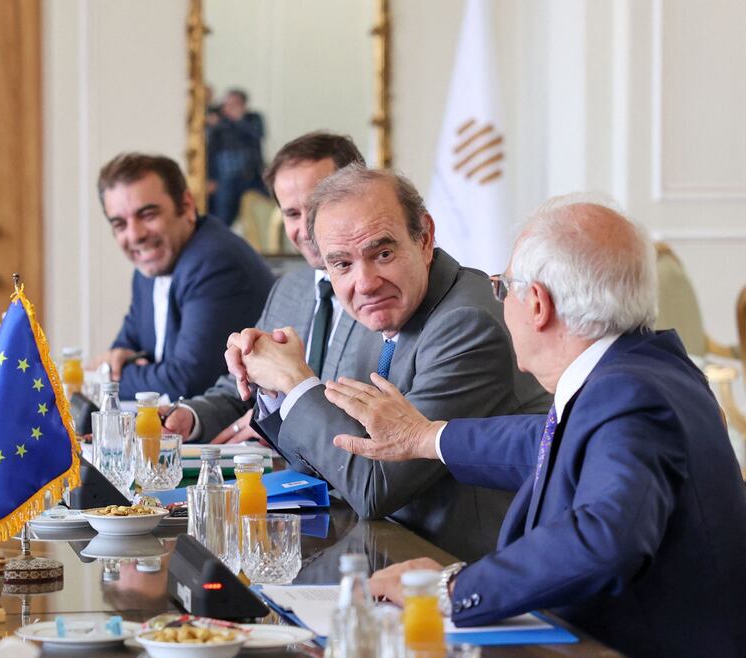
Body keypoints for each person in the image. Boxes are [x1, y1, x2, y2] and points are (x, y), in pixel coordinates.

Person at [329, 197, 746, 658]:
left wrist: (450, 586)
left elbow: (605, 539)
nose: (500, 301)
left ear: (538, 304)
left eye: (503, 288)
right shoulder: (645, 370)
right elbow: (549, 441)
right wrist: (427, 437)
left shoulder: (630, 394)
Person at [225, 165, 550, 562]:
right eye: (342, 264)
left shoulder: (467, 324)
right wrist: (275, 386)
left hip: (466, 570)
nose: (365, 283)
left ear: (425, 238)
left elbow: (374, 485)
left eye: (382, 253)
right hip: (389, 553)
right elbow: (329, 466)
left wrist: (296, 382)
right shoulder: (381, 311)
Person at [165, 131, 367, 444]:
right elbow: (241, 391)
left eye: (318, 208)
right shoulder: (290, 289)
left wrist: (278, 419)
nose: (305, 229)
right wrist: (189, 417)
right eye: (292, 214)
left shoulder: (381, 294)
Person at [95, 153, 274, 400]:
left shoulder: (214, 262)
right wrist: (117, 365)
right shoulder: (149, 268)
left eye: (148, 215)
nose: (135, 235)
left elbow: (185, 383)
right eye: (119, 225)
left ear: (187, 206)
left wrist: (107, 376)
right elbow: (122, 350)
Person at [207, 88, 267, 226]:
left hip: (252, 176)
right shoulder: (219, 121)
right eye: (228, 104)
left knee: (263, 211)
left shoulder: (253, 118)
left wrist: (238, 119)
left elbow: (257, 135)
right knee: (223, 217)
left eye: (235, 103)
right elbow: (211, 149)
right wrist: (210, 177)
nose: (230, 107)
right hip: (226, 178)